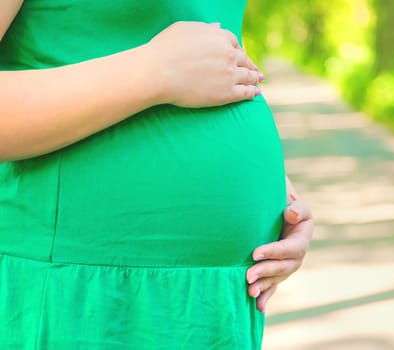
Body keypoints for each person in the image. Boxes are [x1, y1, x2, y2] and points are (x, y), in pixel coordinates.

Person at [0, 1, 313, 349]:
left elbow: (207, 56)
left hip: (218, 300)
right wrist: (153, 70)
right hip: (85, 291)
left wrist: (281, 203)